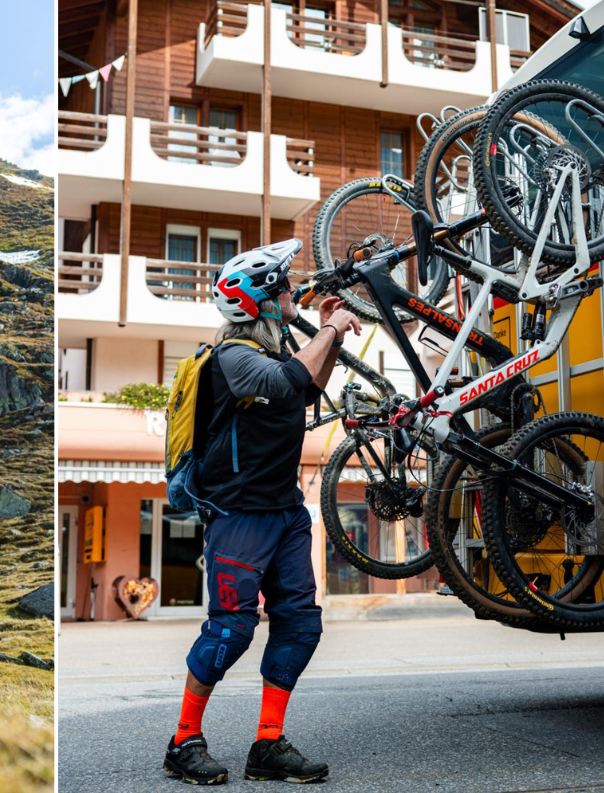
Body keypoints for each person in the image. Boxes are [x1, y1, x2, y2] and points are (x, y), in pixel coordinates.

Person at [162, 239, 360, 785]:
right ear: (262, 300)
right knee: (231, 630)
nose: (293, 292)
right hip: (238, 515)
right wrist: (329, 328)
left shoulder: (271, 355)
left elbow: (306, 388)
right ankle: (183, 741)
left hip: (285, 512)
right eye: (285, 286)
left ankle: (267, 744)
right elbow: (284, 380)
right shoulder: (233, 357)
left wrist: (329, 338)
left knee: (300, 624)